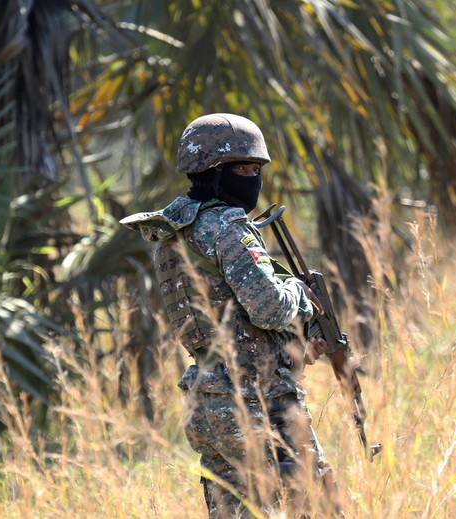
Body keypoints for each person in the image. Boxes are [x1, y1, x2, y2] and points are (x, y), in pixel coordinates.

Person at [120, 113, 336, 517]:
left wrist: (294, 350)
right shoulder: (226, 228)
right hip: (254, 400)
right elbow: (269, 307)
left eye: (256, 169)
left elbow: (229, 319)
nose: (252, 177)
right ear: (212, 172)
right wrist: (299, 295)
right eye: (242, 168)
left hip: (207, 398)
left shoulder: (171, 231)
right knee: (316, 504)